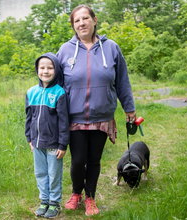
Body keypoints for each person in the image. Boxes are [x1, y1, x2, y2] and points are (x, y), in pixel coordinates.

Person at [56, 5, 136, 216]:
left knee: (94, 160)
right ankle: (76, 193)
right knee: (78, 159)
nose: (81, 23)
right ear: (73, 25)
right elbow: (56, 84)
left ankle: (90, 196)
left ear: (94, 20)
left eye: (85, 18)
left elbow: (122, 81)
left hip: (102, 116)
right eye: (77, 21)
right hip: (74, 117)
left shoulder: (111, 48)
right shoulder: (65, 50)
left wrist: (129, 107)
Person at [25, 52, 70, 218]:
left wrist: (63, 144)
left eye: (50, 68)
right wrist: (29, 138)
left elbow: (64, 122)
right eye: (42, 67)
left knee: (54, 174)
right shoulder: (31, 92)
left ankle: (54, 203)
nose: (45, 71)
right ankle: (44, 200)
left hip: (54, 144)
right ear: (37, 70)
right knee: (40, 173)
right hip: (37, 142)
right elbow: (29, 118)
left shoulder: (59, 93)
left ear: (56, 70)